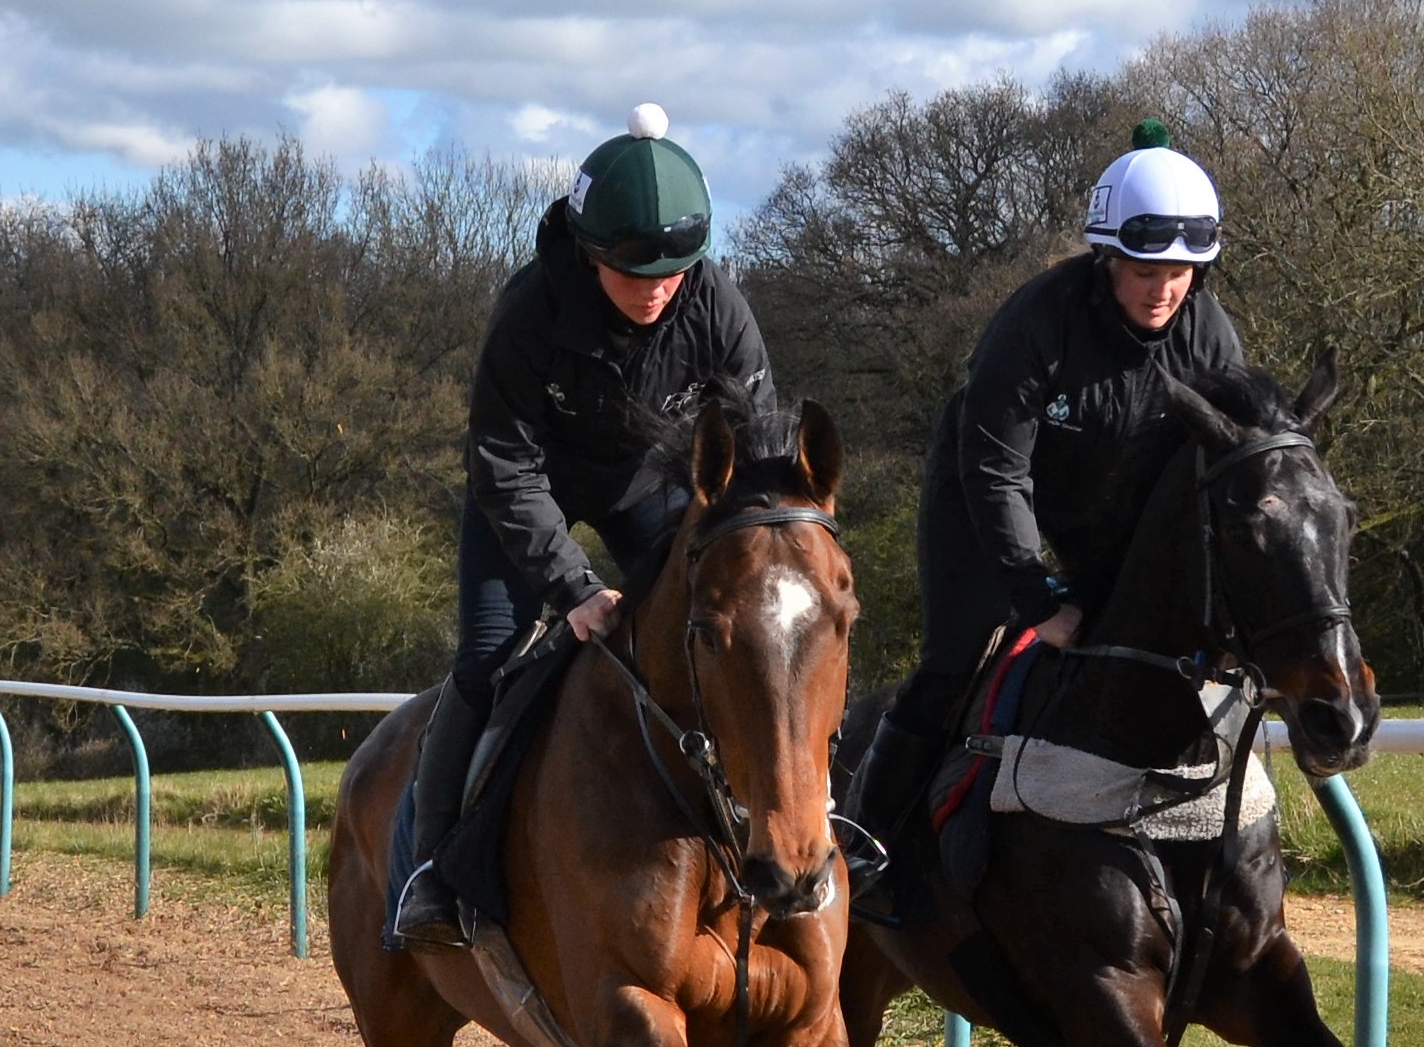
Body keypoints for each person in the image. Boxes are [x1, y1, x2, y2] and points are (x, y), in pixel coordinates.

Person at [389, 104, 776, 950]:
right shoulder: (530, 311)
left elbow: (752, 451)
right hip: (529, 492)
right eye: (636, 273)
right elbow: (501, 463)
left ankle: (780, 840)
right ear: (590, 252)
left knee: (736, 641)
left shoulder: (716, 303)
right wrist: (573, 585)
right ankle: (431, 871)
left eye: (673, 272)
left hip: (649, 486)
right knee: (487, 659)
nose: (657, 289)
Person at [850, 121, 1245, 922]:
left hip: (1102, 508)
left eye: (1181, 270)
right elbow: (995, 469)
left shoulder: (1209, 337)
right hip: (983, 496)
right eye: (1144, 267)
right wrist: (1036, 598)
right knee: (960, 656)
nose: (1163, 287)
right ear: (1107, 258)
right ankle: (868, 848)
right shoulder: (1036, 321)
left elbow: (1227, 467)